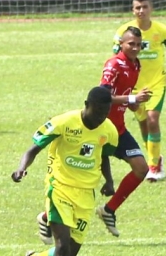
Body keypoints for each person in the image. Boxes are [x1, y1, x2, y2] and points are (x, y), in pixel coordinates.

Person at [11, 86, 118, 256]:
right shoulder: (63, 123)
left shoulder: (109, 130)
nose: (101, 116)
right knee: (61, 247)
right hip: (58, 188)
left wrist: (109, 181)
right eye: (97, 111)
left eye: (106, 112)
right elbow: (34, 148)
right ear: (86, 105)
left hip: (86, 196)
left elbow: (104, 156)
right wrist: (21, 168)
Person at [36, 27, 150, 243]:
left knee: (142, 168)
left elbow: (123, 95)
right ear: (121, 44)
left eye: (138, 44)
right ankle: (46, 217)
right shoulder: (113, 64)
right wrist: (133, 99)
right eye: (131, 44)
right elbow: (103, 95)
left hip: (119, 130)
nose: (135, 48)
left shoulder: (136, 65)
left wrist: (133, 103)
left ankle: (108, 210)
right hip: (100, 129)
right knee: (80, 182)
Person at [114, 0, 166, 182]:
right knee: (143, 123)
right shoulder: (124, 31)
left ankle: (154, 167)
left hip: (156, 83)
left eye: (144, 7)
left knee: (152, 119)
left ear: (151, 8)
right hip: (134, 86)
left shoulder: (161, 30)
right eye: (137, 8)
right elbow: (116, 57)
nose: (141, 10)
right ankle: (154, 157)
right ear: (133, 10)